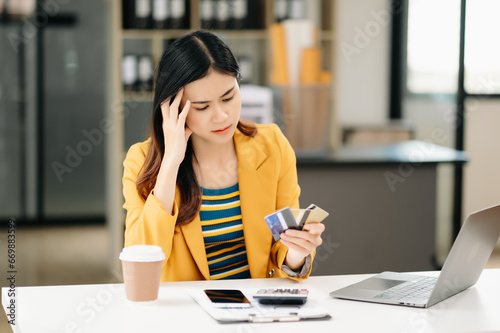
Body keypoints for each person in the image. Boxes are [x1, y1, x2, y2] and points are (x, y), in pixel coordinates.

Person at [122, 30, 325, 282]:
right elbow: (141, 263)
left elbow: (280, 252)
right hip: (186, 315)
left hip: (256, 310)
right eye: (202, 106)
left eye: (228, 97)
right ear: (171, 107)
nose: (222, 116)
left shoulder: (272, 146)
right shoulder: (140, 162)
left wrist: (296, 251)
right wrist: (171, 162)